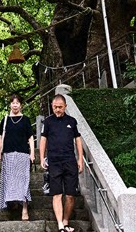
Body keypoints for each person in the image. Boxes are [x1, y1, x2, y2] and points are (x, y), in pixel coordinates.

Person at [39, 95, 83, 232]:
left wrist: (80, 159)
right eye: (55, 107)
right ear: (52, 106)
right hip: (54, 161)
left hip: (69, 160)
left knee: (70, 195)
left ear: (65, 107)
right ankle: (60, 225)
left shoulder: (72, 121)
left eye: (60, 107)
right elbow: (43, 140)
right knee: (56, 194)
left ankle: (65, 221)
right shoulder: (47, 122)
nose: (57, 110)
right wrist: (41, 158)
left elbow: (78, 140)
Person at [0, 94, 35, 221]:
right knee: (9, 180)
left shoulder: (26, 119)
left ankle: (24, 208)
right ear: (10, 105)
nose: (15, 105)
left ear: (21, 105)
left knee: (23, 181)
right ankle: (12, 203)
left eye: (17, 103)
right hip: (8, 154)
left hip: (23, 154)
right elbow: (1, 136)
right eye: (13, 103)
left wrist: (33, 153)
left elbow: (30, 137)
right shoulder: (5, 119)